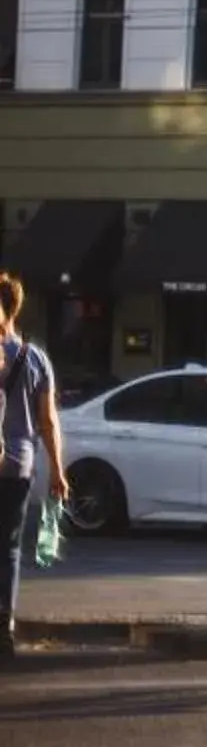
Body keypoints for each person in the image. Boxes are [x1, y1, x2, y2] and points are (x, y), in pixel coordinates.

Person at [1, 272, 73, 669]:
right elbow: (48, 421)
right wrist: (57, 470)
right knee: (9, 549)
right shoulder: (35, 358)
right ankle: (4, 627)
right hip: (18, 467)